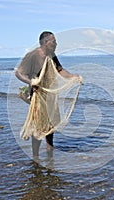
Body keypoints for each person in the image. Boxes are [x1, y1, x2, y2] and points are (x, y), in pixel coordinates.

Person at [15, 31, 81, 159]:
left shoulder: (51, 55)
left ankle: (50, 151)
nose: (56, 43)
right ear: (45, 42)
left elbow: (60, 70)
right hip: (38, 95)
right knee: (38, 126)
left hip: (50, 94)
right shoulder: (33, 55)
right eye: (54, 41)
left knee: (50, 125)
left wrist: (73, 77)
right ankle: (35, 158)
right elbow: (19, 73)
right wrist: (31, 82)